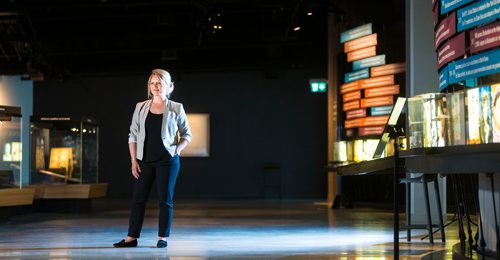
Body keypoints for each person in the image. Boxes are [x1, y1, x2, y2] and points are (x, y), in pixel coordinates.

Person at [114, 69, 192, 248]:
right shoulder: (140, 106)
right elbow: (132, 135)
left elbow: (187, 134)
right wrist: (134, 160)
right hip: (144, 160)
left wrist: (177, 150)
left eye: (159, 83)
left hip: (167, 160)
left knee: (165, 200)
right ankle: (131, 237)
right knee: (138, 199)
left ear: (168, 86)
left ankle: (162, 237)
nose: (155, 86)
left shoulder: (176, 107)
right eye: (152, 83)